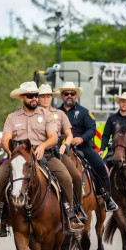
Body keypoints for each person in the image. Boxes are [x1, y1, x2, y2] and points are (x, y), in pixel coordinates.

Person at [0, 81, 85, 234]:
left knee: (66, 177)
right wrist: (10, 152)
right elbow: (6, 139)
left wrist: (42, 146)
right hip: (18, 158)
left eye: (36, 96)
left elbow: (53, 137)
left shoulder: (46, 114)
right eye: (30, 96)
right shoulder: (12, 117)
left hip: (43, 155)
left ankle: (70, 214)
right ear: (22, 98)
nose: (34, 99)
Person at [57, 82, 118, 212]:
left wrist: (81, 138)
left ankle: (107, 198)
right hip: (61, 148)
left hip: (82, 147)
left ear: (76, 96)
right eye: (66, 93)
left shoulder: (84, 112)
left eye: (72, 94)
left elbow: (92, 129)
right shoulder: (56, 112)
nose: (69, 96)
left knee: (100, 166)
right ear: (62, 96)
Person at [37, 84, 86, 221]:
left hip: (56, 151)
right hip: (36, 151)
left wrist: (64, 145)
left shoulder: (59, 114)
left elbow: (69, 134)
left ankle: (77, 208)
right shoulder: (33, 114)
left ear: (52, 97)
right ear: (38, 98)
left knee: (75, 177)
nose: (45, 99)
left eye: (48, 96)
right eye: (42, 96)